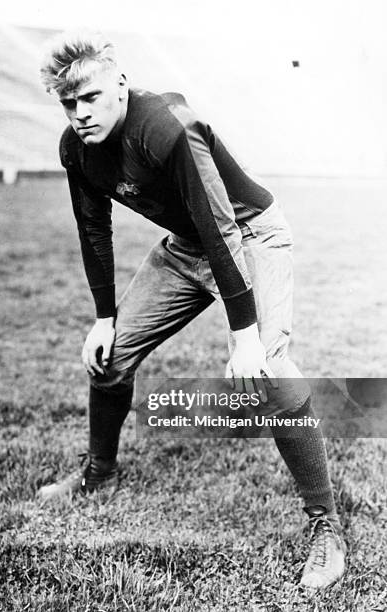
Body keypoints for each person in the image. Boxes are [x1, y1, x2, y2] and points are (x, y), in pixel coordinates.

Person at [38, 30, 346, 588]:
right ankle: (99, 475)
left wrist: (246, 335)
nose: (80, 113)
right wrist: (104, 317)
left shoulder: (167, 126)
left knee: (269, 372)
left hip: (249, 234)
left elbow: (223, 226)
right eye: (68, 102)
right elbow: (93, 230)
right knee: (109, 358)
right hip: (187, 245)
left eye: (90, 98)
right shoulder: (75, 148)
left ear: (121, 86)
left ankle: (326, 526)